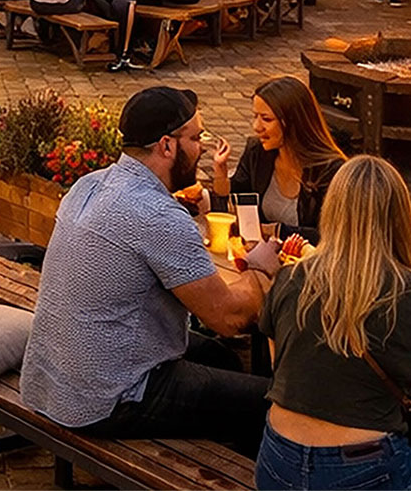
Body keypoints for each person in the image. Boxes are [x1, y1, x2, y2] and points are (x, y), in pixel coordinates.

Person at [20, 86, 279, 456]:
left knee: (221, 358)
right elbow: (230, 318)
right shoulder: (157, 214)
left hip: (52, 381)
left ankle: (216, 457)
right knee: (269, 405)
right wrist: (261, 268)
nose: (202, 146)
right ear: (166, 146)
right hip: (106, 399)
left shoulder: (88, 185)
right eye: (195, 137)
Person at [255, 155, 411, 490]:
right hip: (364, 467)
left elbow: (282, 367)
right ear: (401, 219)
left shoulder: (289, 278)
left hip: (278, 460)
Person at [210, 76, 345, 243]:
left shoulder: (331, 170)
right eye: (255, 116)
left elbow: (334, 236)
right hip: (262, 258)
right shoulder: (258, 153)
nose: (257, 127)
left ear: (293, 121)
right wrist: (220, 175)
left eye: (266, 119)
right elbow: (232, 208)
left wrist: (277, 231)